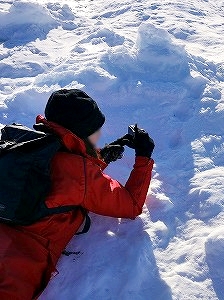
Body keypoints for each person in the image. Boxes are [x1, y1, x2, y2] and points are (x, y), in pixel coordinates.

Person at [0, 89, 155, 299]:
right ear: (81, 132)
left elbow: (64, 170)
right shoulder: (79, 173)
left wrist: (100, 157)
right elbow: (131, 205)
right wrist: (144, 157)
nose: (98, 135)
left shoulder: (22, 143)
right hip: (19, 262)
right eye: (94, 130)